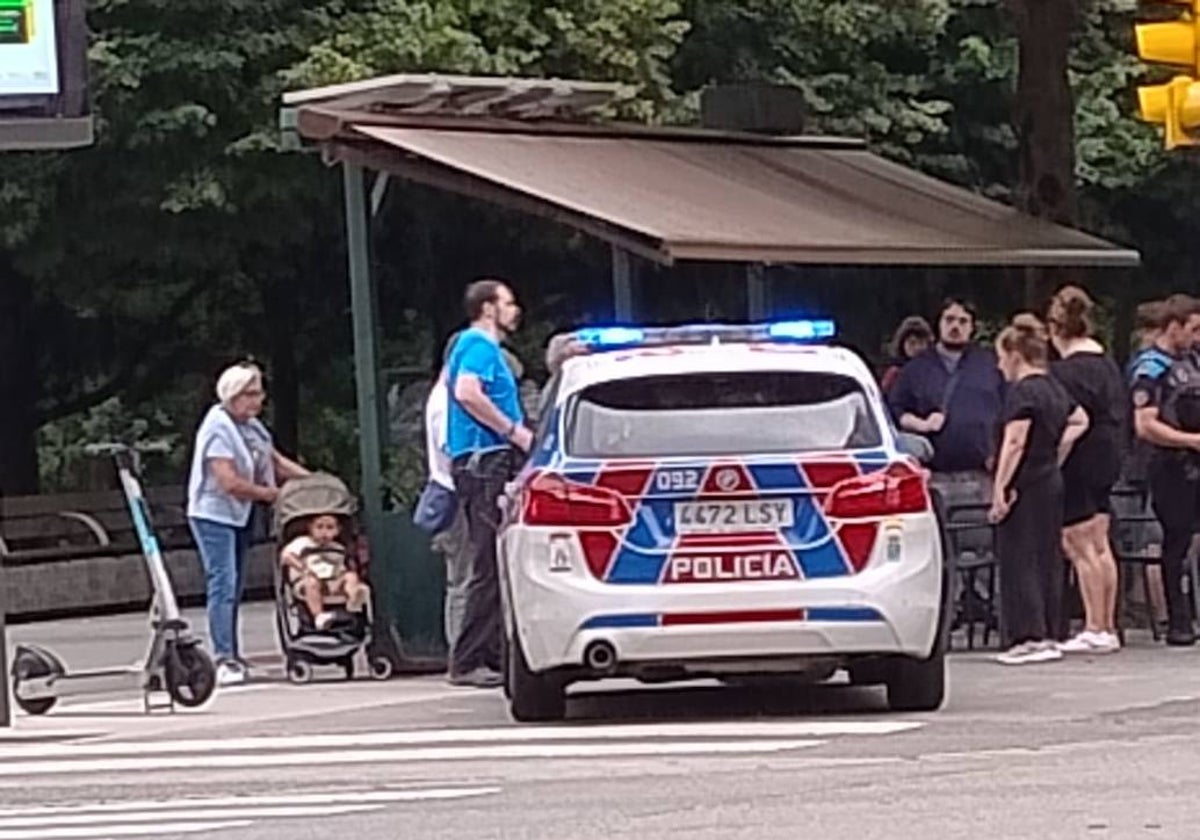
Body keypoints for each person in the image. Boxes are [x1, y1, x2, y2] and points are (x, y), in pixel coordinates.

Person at [187, 362, 309, 686]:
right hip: (214, 513)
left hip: (241, 513)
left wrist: (315, 483)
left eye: (259, 393)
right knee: (223, 583)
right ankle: (224, 657)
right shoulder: (218, 427)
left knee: (236, 584)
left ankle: (234, 654)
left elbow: (275, 461)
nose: (258, 400)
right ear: (233, 395)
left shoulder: (251, 426)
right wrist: (271, 494)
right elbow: (228, 481)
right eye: (251, 394)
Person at [444, 279, 532, 688]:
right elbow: (467, 392)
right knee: (487, 562)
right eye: (508, 303)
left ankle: (490, 652)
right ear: (488, 309)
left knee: (492, 558)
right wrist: (513, 431)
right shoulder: (479, 346)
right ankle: (468, 658)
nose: (515, 311)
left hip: (481, 460)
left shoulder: (473, 347)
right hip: (484, 461)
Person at [989, 314, 1089, 666]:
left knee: (1020, 557)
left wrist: (1000, 488)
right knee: (1047, 556)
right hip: (1050, 478)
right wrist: (1057, 450)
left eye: (1001, 357)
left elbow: (1015, 441)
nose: (1000, 366)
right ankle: (1049, 629)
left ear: (1015, 355)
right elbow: (1080, 420)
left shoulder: (1023, 392)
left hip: (1025, 481)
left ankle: (1027, 635)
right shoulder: (1054, 387)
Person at [425, 331, 525, 659]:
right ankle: (463, 652)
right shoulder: (447, 403)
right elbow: (451, 448)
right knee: (467, 577)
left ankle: (470, 651)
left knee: (470, 575)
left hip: (458, 489)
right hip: (458, 493)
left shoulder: (442, 397)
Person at [1047, 287, 1126, 654]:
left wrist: (1054, 461)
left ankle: (1094, 625)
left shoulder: (1065, 373)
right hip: (1109, 457)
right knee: (1100, 541)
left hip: (1081, 458)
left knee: (1078, 542)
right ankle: (1107, 623)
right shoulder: (1107, 365)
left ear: (1055, 327)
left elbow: (1070, 422)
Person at [888, 298, 1005, 509]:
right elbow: (895, 411)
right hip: (934, 475)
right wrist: (921, 425)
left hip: (984, 474)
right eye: (949, 319)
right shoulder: (915, 369)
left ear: (972, 327)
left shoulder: (990, 364)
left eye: (963, 321)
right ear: (939, 323)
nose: (955, 327)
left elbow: (1009, 410)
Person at [1131, 293, 1200, 645]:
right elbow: (1145, 425)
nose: (1197, 337)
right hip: (1169, 465)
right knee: (1177, 541)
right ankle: (1179, 619)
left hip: (1194, 463)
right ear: (1174, 327)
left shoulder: (1192, 361)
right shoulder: (1151, 367)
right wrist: (1189, 440)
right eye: (1193, 329)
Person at [280, 514, 369, 630]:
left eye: (330, 528)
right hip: (308, 580)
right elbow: (286, 556)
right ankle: (319, 616)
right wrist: (303, 568)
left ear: (337, 531)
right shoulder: (302, 543)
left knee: (351, 576)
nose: (324, 532)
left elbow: (342, 567)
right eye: (319, 527)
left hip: (334, 580)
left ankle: (354, 605)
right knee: (312, 582)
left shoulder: (338, 548)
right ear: (310, 528)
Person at [880, 316, 934, 395]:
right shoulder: (895, 374)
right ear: (902, 345)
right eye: (912, 343)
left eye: (921, 343)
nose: (917, 348)